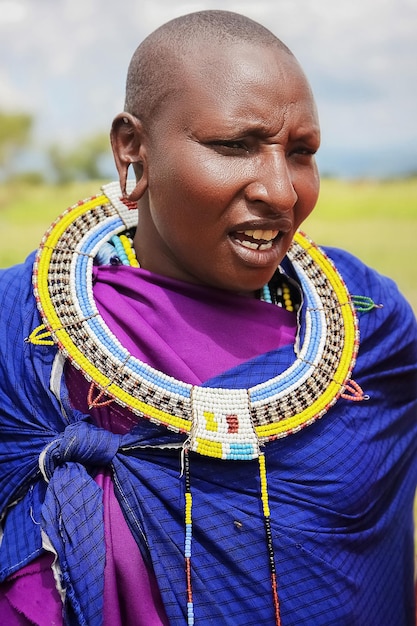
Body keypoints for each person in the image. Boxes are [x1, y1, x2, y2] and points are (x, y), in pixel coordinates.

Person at [0, 9, 416, 626]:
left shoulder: (372, 330)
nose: (281, 191)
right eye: (234, 146)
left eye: (301, 153)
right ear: (132, 148)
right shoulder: (20, 339)